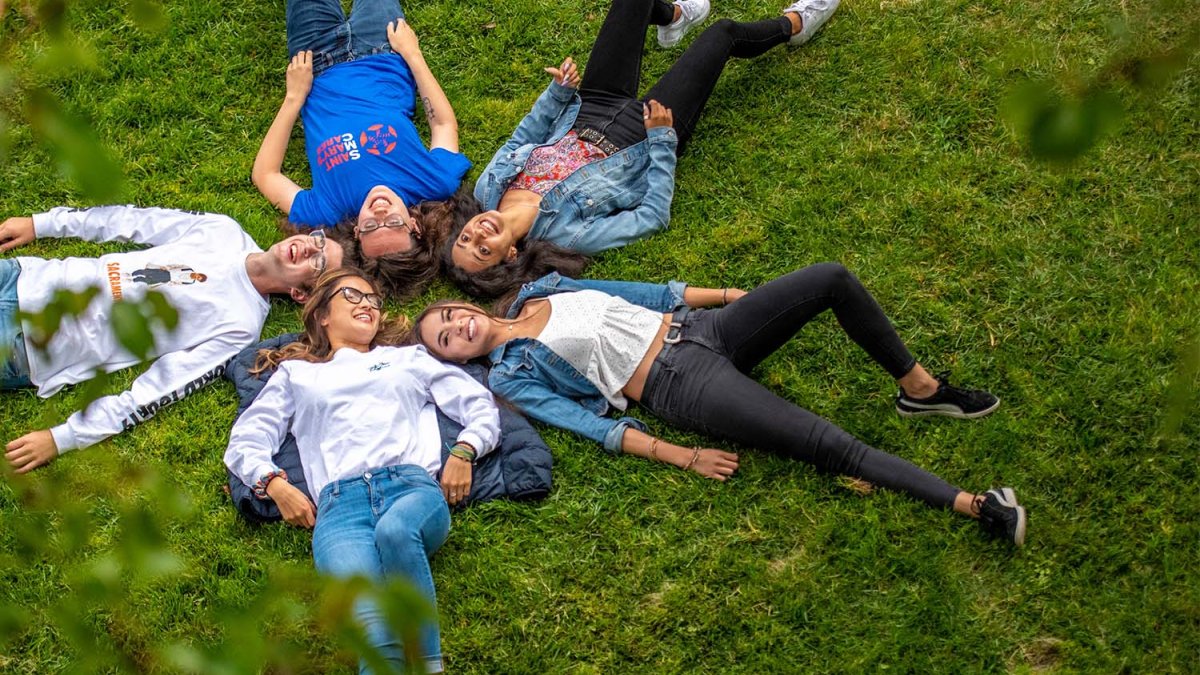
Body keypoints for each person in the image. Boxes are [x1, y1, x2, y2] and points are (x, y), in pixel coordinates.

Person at [414, 264, 1028, 546]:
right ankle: (976, 505)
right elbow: (589, 426)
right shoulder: (513, 376)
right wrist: (683, 456)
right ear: (455, 359)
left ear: (463, 306)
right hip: (678, 384)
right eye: (444, 340)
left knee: (830, 279)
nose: (455, 328)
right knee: (826, 444)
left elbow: (652, 293)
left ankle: (921, 390)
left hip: (703, 329)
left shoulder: (542, 288)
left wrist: (740, 298)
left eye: (448, 317)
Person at [443, 0, 840, 298]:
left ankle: (674, 17)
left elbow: (521, 138)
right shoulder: (568, 236)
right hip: (640, 135)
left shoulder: (488, 190)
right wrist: (663, 139)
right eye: (483, 250)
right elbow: (652, 218)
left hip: (589, 107)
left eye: (465, 239)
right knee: (723, 34)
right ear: (510, 255)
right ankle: (796, 23)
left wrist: (558, 92)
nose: (478, 234)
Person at [225, 268, 500, 673]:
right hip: (339, 511)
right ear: (322, 315)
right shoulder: (296, 375)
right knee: (373, 631)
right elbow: (247, 439)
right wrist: (274, 484)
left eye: (373, 299)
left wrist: (464, 450)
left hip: (410, 488)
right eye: (353, 295)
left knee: (396, 531)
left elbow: (477, 404)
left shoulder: (406, 359)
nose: (367, 304)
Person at [0, 205, 344, 473]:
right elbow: (130, 219)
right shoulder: (224, 231)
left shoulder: (241, 326)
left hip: (29, 343)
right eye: (317, 240)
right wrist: (40, 223)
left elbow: (157, 390)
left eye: (319, 262)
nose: (309, 248)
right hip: (26, 276)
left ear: (300, 294)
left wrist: (64, 437)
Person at [252, 0, 468, 275]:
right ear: (414, 225)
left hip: (314, 60)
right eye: (394, 223)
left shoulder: (327, 211)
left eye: (371, 227)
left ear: (356, 233)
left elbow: (266, 175)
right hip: (384, 49)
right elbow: (443, 125)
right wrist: (413, 55)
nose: (380, 213)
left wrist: (294, 97)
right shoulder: (434, 183)